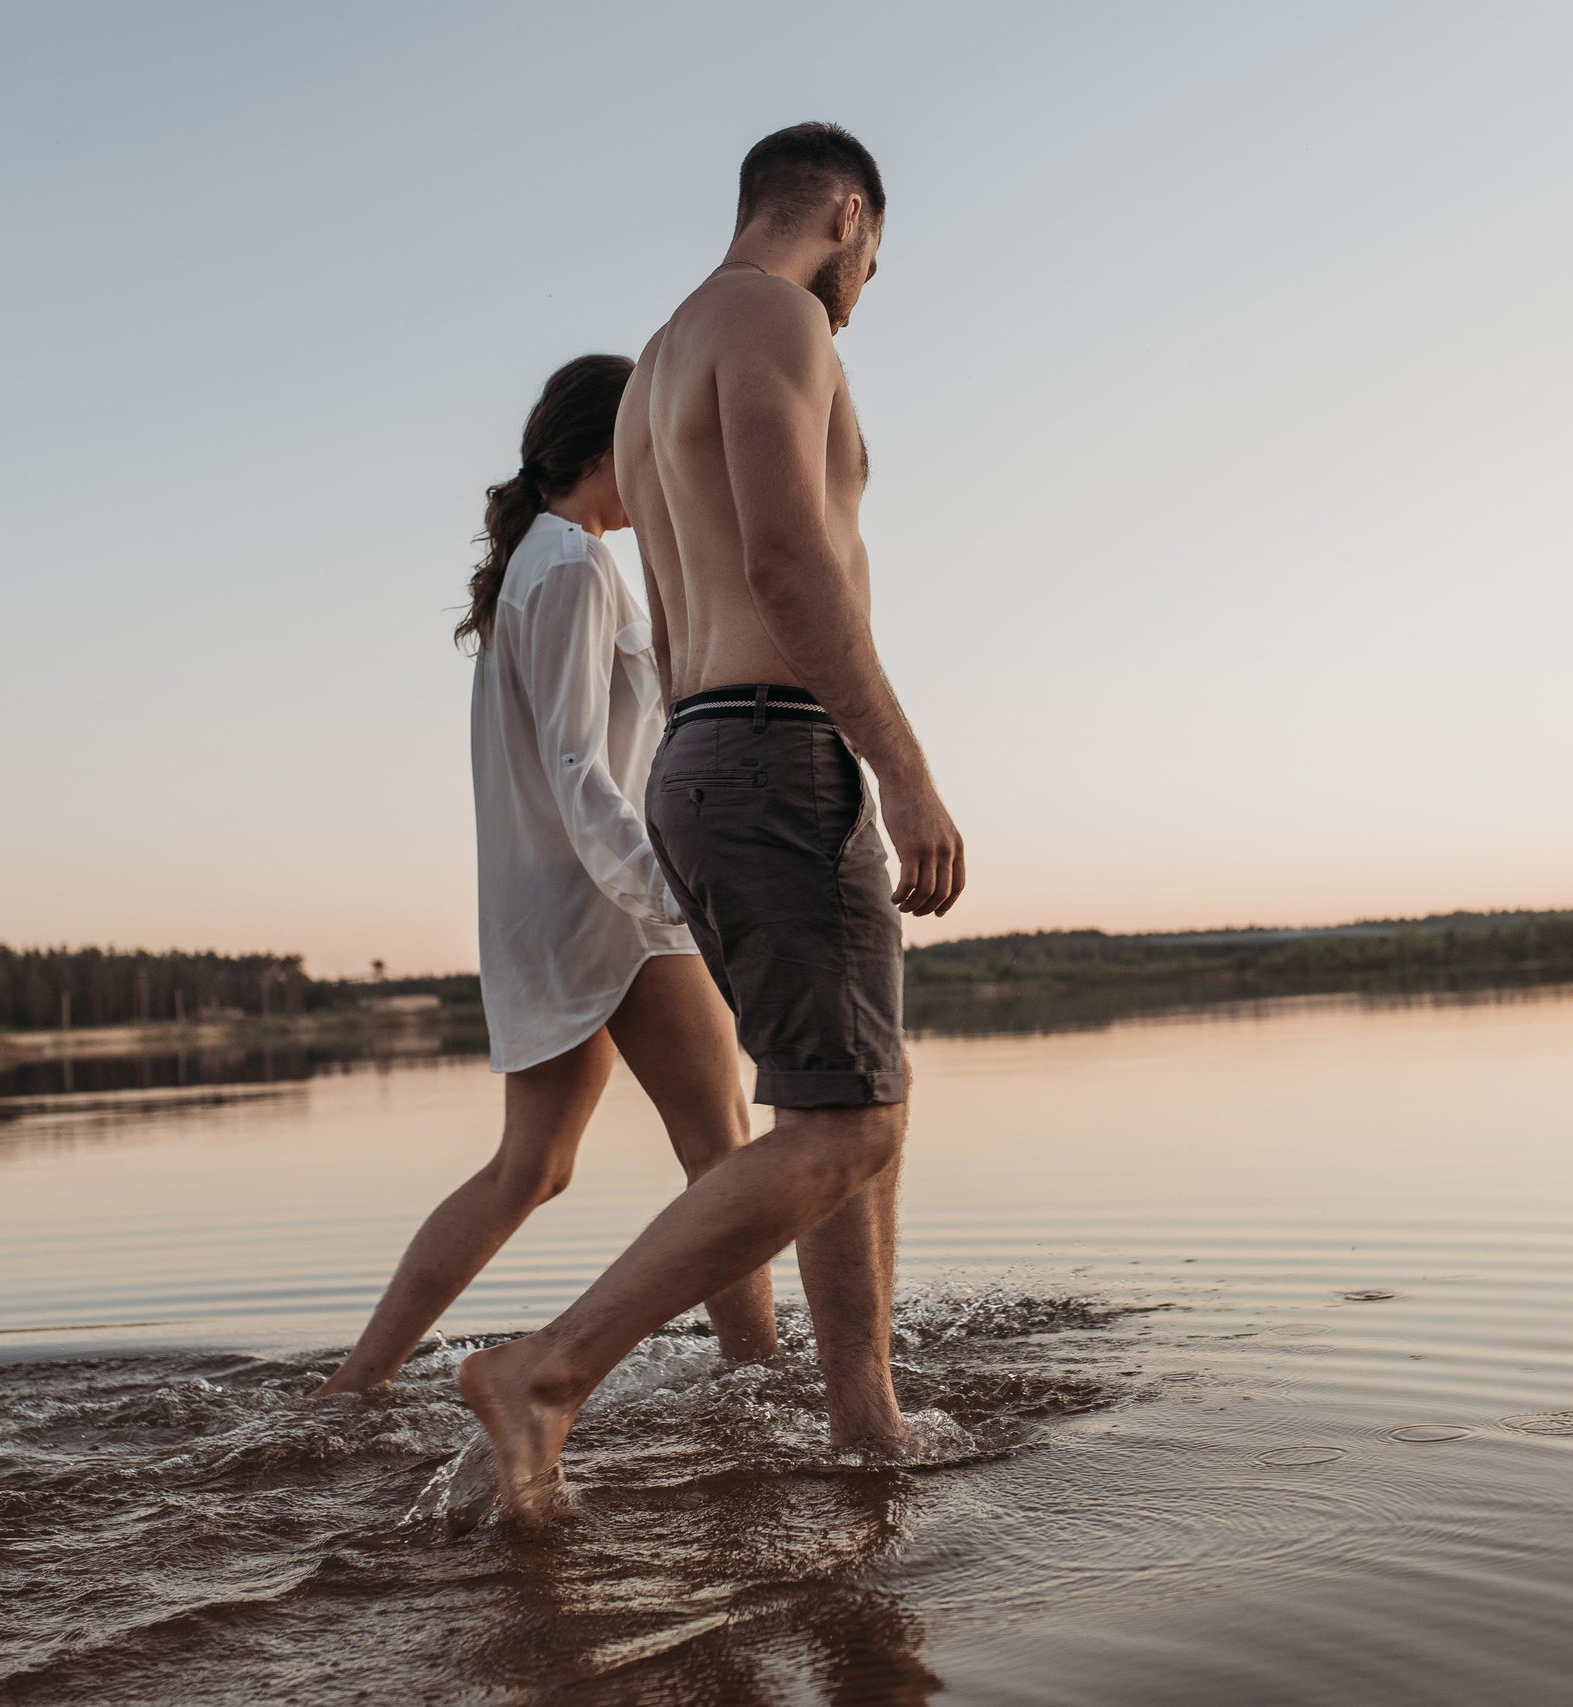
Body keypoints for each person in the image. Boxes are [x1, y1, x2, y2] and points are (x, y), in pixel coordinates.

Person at [457, 121, 964, 1519]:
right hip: (779, 748)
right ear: (847, 214)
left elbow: (683, 624)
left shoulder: (655, 368)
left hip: (705, 751)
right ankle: (548, 1370)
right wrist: (903, 770)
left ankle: (865, 1419)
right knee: (847, 1125)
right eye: (874, 258)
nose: (864, 290)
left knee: (842, 1099)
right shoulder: (777, 318)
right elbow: (789, 561)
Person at [315, 354, 777, 1398]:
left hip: (558, 899)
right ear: (611, 447)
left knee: (533, 1167)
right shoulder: (572, 563)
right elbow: (576, 763)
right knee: (722, 1149)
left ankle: (353, 1388)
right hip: (610, 902)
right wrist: (669, 890)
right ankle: (757, 1384)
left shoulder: (543, 558)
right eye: (654, 440)